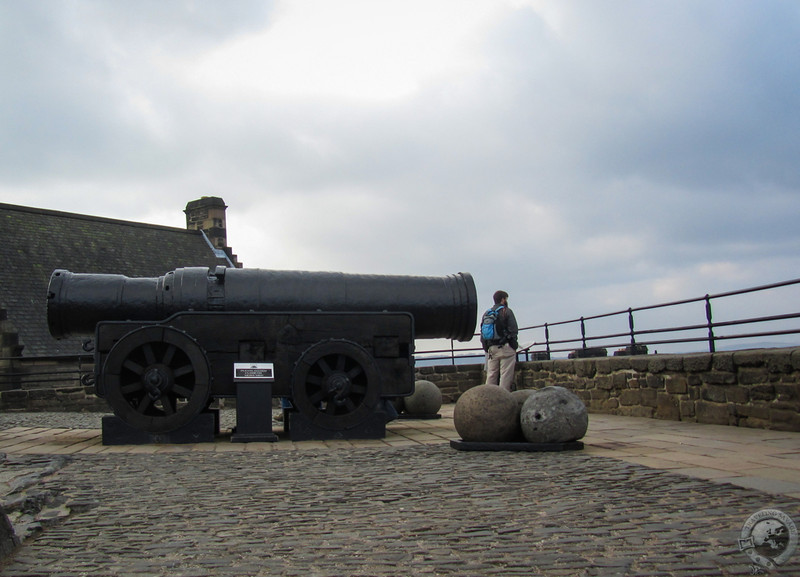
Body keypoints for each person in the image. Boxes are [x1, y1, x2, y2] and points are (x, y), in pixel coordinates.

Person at [481, 290, 519, 391]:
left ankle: (488, 396)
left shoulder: (487, 313)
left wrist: (486, 347)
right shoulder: (506, 311)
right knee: (505, 375)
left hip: (491, 348)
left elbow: (482, 332)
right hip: (505, 347)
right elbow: (514, 330)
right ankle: (503, 399)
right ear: (503, 299)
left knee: (491, 375)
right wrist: (513, 343)